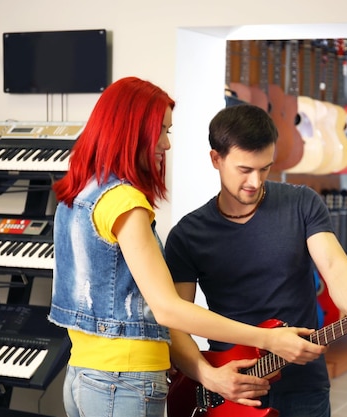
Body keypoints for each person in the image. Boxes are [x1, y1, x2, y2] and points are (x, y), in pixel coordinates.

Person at [47, 77, 326, 417]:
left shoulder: (77, 195)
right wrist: (268, 340)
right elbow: (168, 310)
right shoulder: (125, 203)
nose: (166, 143)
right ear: (130, 131)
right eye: (161, 131)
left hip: (81, 375)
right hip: (125, 380)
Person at [165, 103, 347, 417]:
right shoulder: (188, 234)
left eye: (265, 168)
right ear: (216, 158)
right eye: (244, 170)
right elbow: (175, 323)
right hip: (229, 388)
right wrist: (209, 376)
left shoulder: (302, 203)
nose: (255, 181)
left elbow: (335, 266)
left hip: (303, 387)